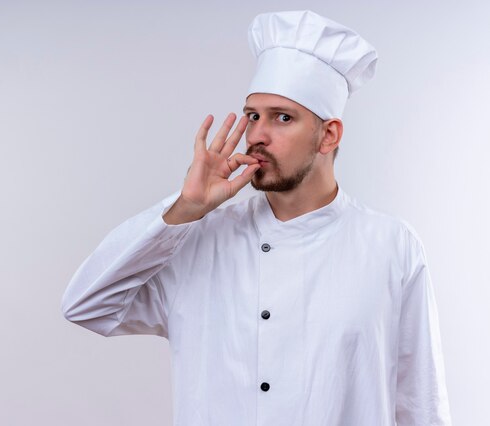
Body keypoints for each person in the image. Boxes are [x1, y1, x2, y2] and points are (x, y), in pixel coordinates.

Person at [62, 10, 452, 426]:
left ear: (329, 134)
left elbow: (419, 401)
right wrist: (184, 209)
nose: (257, 135)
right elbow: (87, 306)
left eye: (282, 117)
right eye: (253, 115)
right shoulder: (197, 239)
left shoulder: (391, 245)